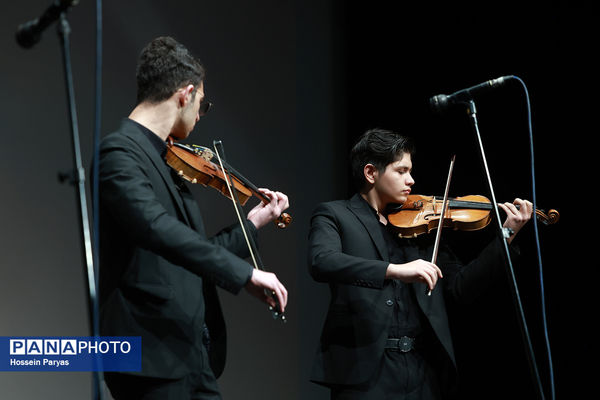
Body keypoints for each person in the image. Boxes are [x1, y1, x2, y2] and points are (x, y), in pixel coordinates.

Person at [98, 36, 289, 399]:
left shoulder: (162, 158)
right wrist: (244, 274)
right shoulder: (120, 153)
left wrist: (252, 223)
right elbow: (159, 231)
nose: (200, 115)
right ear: (185, 94)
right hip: (150, 355)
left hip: (189, 354)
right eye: (202, 103)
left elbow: (192, 252)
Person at [308, 128, 532, 399]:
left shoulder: (421, 228)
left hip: (423, 370)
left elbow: (460, 287)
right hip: (365, 374)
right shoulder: (334, 214)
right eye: (401, 171)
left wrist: (506, 234)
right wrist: (395, 271)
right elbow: (323, 261)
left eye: (410, 171)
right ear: (370, 173)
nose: (411, 180)